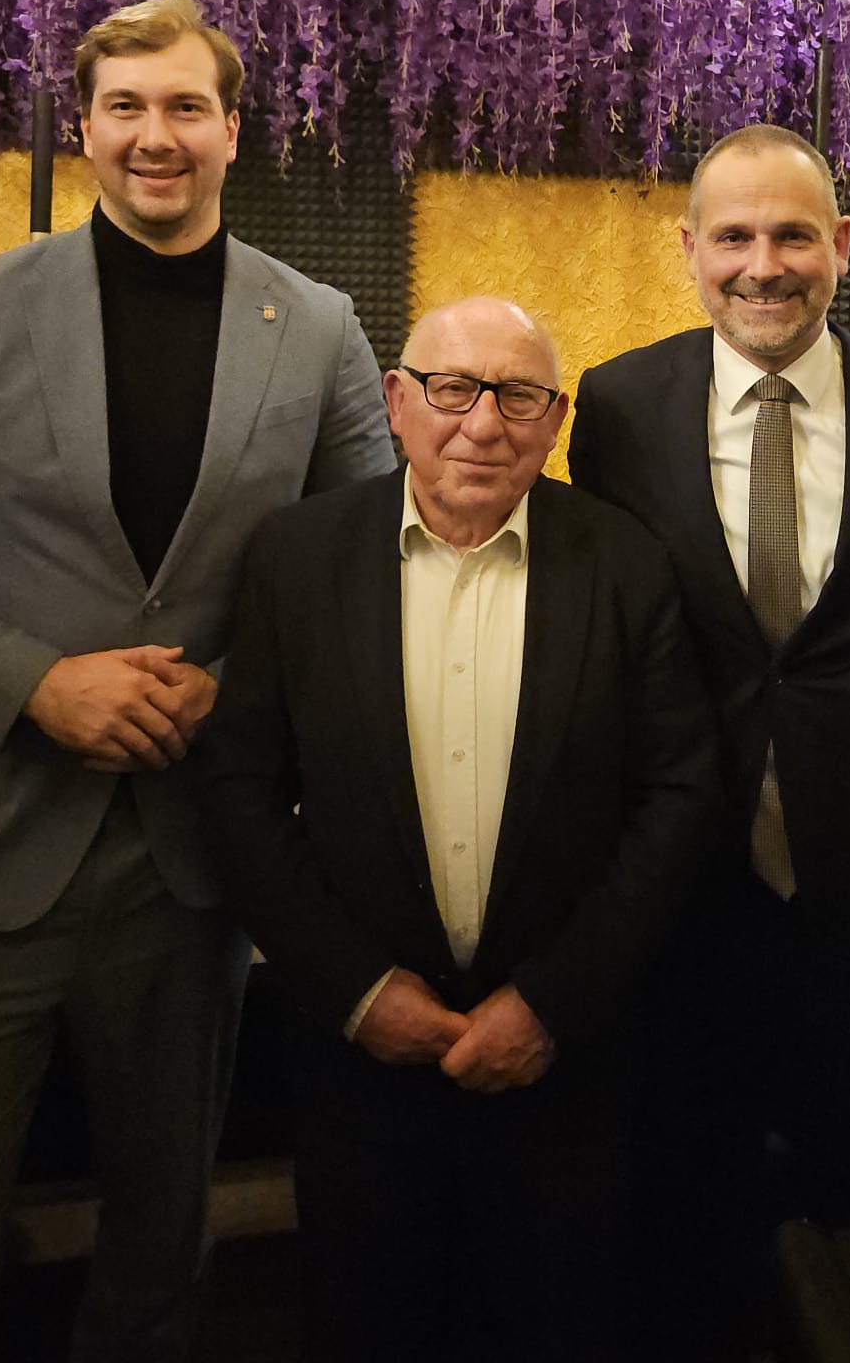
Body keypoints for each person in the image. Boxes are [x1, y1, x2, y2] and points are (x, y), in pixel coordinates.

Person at [0, 0, 395, 1363]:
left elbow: (368, 564)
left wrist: (233, 688)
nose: (155, 135)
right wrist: (33, 682)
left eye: (186, 106)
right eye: (125, 106)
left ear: (234, 130)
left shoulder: (318, 326)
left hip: (189, 881)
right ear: (82, 128)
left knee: (158, 1262)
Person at [195, 295, 715, 1363]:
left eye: (517, 396)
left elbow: (679, 798)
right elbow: (239, 790)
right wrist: (356, 989)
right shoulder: (296, 558)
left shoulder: (626, 563)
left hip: (566, 1062)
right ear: (396, 401)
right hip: (362, 1068)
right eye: (451, 389)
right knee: (370, 1322)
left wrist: (551, 1000)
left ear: (555, 420)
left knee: (560, 1324)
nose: (482, 423)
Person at [569, 124, 850, 1355]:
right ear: (689, 249)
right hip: (684, 878)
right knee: (681, 1200)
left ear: (841, 244)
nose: (764, 264)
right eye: (735, 236)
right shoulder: (620, 405)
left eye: (794, 234)